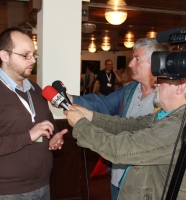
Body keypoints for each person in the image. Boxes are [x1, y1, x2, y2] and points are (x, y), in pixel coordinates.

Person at [67, 38, 169, 200]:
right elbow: (103, 104)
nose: (130, 64)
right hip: (119, 176)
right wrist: (72, 99)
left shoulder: (167, 100)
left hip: (145, 185)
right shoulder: (129, 90)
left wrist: (81, 124)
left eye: (137, 59)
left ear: (155, 63)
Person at [62, 74, 186, 199]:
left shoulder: (176, 127)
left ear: (180, 87)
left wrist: (80, 125)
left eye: (161, 81)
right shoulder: (166, 114)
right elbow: (129, 125)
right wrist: (89, 116)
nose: (156, 84)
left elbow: (119, 149)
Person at [0, 28, 68, 200]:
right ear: (4, 56)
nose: (32, 60)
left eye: (33, 55)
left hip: (43, 185)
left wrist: (53, 137)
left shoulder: (37, 90)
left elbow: (47, 126)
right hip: (6, 192)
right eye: (25, 55)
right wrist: (28, 136)